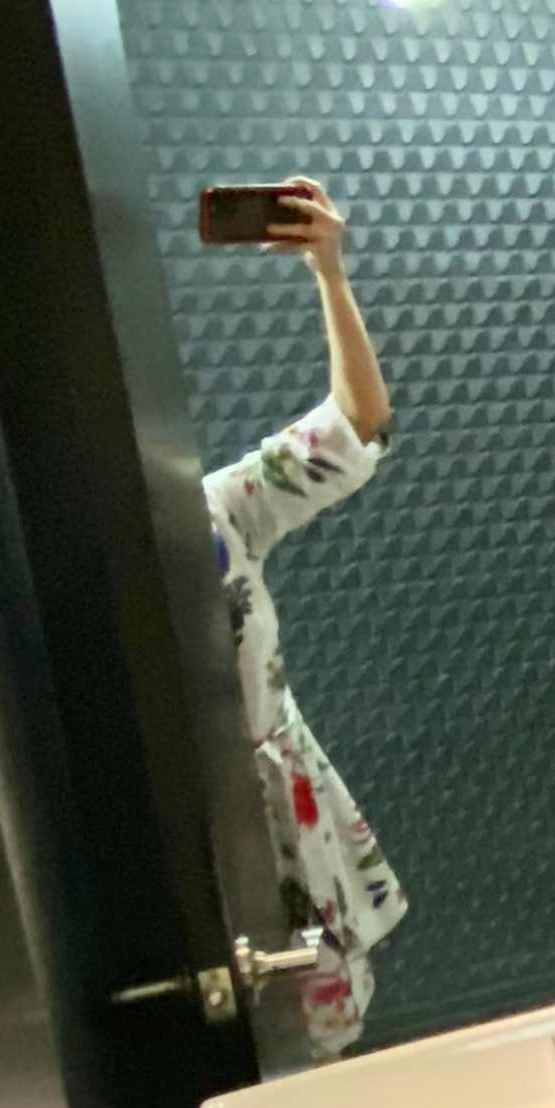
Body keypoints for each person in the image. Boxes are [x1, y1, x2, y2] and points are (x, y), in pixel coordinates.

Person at [204, 177, 403, 1057]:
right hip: (192, 835)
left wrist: (330, 272)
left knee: (323, 1048)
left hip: (286, 812)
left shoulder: (215, 513)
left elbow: (358, 427)